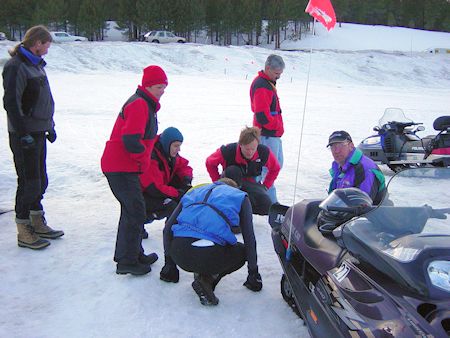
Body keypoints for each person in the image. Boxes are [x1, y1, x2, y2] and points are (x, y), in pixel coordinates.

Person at [101, 65, 168, 275]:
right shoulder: (139, 104)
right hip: (120, 167)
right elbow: (131, 140)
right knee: (135, 211)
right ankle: (127, 261)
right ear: (147, 86)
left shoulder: (145, 103)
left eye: (164, 86)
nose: (163, 90)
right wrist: (143, 159)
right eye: (159, 86)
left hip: (124, 167)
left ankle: (131, 254)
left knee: (132, 211)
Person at [2, 25, 64, 250]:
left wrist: (50, 126)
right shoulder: (16, 66)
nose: (48, 49)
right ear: (37, 42)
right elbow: (11, 103)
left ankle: (37, 220)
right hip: (24, 135)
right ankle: (23, 229)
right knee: (29, 182)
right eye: (46, 45)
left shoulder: (36, 65)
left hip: (38, 131)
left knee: (40, 180)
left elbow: (42, 100)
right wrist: (23, 133)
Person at [159, 177, 262, 306]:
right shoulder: (239, 196)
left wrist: (169, 264)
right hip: (209, 254)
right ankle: (206, 280)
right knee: (241, 251)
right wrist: (253, 273)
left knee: (201, 242)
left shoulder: (193, 191)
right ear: (234, 188)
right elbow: (249, 239)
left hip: (179, 251)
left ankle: (201, 271)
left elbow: (167, 228)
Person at [205, 126, 280, 215]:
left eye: (253, 149)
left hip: (251, 184)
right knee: (234, 171)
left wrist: (266, 186)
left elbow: (275, 168)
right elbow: (210, 162)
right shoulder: (228, 150)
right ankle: (230, 208)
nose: (250, 152)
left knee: (266, 205)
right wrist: (217, 182)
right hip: (230, 183)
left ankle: (244, 210)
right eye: (247, 149)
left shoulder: (263, 152)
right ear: (240, 145)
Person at [139, 127, 193, 238]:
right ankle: (139, 223)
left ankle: (173, 229)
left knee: (179, 196)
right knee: (172, 205)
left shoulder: (168, 153)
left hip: (156, 191)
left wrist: (186, 181)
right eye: (176, 146)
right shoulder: (151, 156)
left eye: (179, 146)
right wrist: (177, 193)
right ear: (167, 144)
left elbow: (184, 166)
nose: (178, 149)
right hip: (143, 196)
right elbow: (155, 187)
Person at [250, 54, 285, 203]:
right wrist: (276, 125)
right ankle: (269, 202)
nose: (279, 77)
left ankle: (260, 198)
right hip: (267, 135)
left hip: (272, 135)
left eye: (280, 74)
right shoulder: (262, 86)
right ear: (268, 68)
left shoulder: (268, 82)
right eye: (277, 73)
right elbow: (262, 116)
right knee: (268, 169)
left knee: (275, 165)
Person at [327, 130, 386, 205]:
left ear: (351, 146)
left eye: (340, 146)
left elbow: (363, 206)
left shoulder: (365, 169)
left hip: (372, 215)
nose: (336, 151)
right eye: (332, 147)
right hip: (345, 211)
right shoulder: (339, 168)